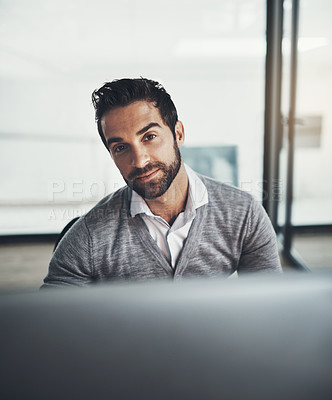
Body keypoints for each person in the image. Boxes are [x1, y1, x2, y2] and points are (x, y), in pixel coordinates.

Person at [42, 78, 282, 288]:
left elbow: (271, 305)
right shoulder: (89, 235)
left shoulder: (244, 213)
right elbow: (48, 323)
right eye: (121, 147)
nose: (139, 160)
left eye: (150, 137)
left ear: (178, 133)